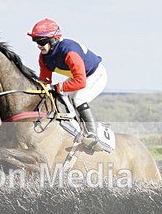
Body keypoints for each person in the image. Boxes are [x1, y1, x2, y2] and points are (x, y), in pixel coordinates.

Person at [27, 18, 107, 148]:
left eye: (41, 41)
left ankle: (92, 135)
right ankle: (75, 129)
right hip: (78, 77)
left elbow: (80, 82)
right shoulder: (43, 57)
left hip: (95, 75)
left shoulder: (69, 52)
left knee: (79, 98)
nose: (38, 45)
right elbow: (45, 81)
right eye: (35, 41)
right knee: (62, 97)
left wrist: (58, 87)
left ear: (53, 40)